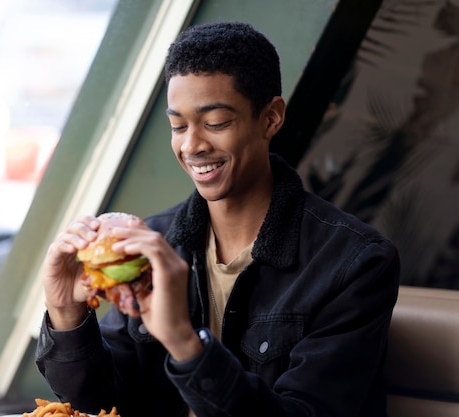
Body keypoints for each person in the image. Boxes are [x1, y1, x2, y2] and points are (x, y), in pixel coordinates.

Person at [35, 21, 401, 417]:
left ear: (271, 118)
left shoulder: (355, 263)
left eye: (216, 123)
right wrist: (66, 314)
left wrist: (184, 343)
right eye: (178, 125)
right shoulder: (154, 241)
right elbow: (100, 401)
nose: (191, 145)